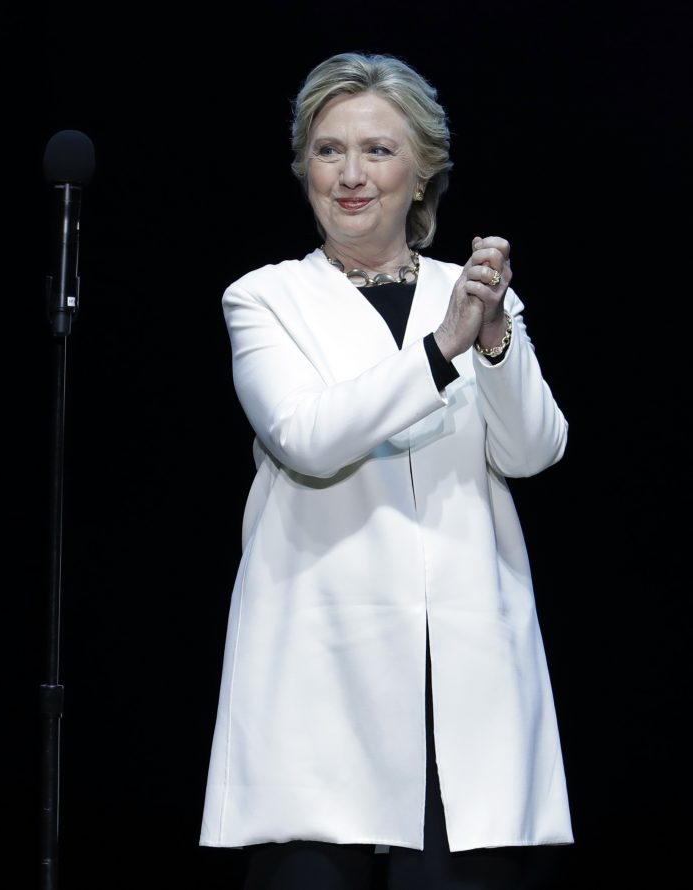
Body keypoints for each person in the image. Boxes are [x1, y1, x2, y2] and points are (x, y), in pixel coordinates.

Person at [200, 51, 574, 890]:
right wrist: (442, 347)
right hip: (319, 664)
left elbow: (532, 450)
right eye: (328, 150)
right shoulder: (266, 298)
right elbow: (307, 437)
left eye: (377, 150)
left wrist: (493, 342)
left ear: (422, 173)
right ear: (304, 169)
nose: (350, 175)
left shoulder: (476, 294)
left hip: (461, 673)